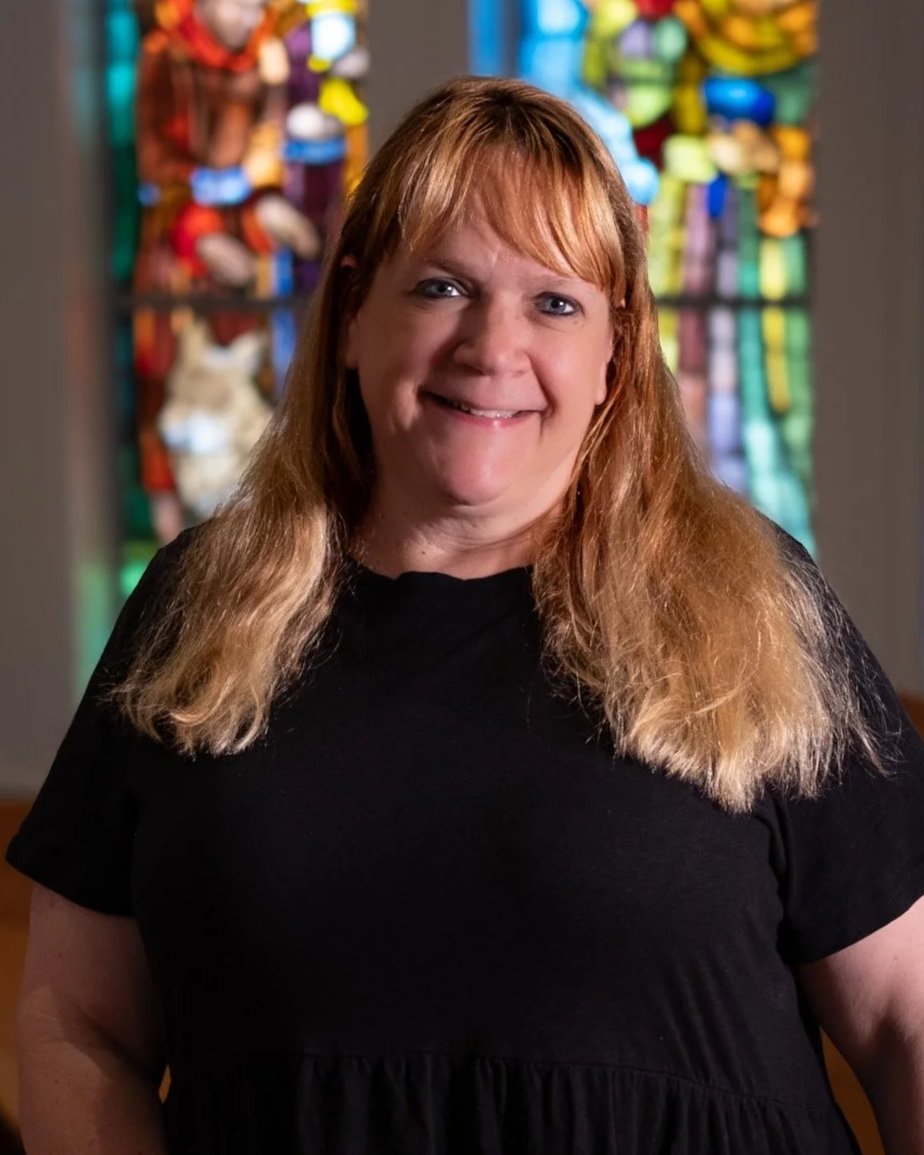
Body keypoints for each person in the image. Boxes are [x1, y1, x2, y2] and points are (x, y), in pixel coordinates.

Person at [9, 76, 924, 1155]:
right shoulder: (197, 611)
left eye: (555, 302)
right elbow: (80, 1026)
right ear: (352, 316)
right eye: (442, 287)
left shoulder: (753, 606)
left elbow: (906, 1024)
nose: (492, 350)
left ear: (614, 357)